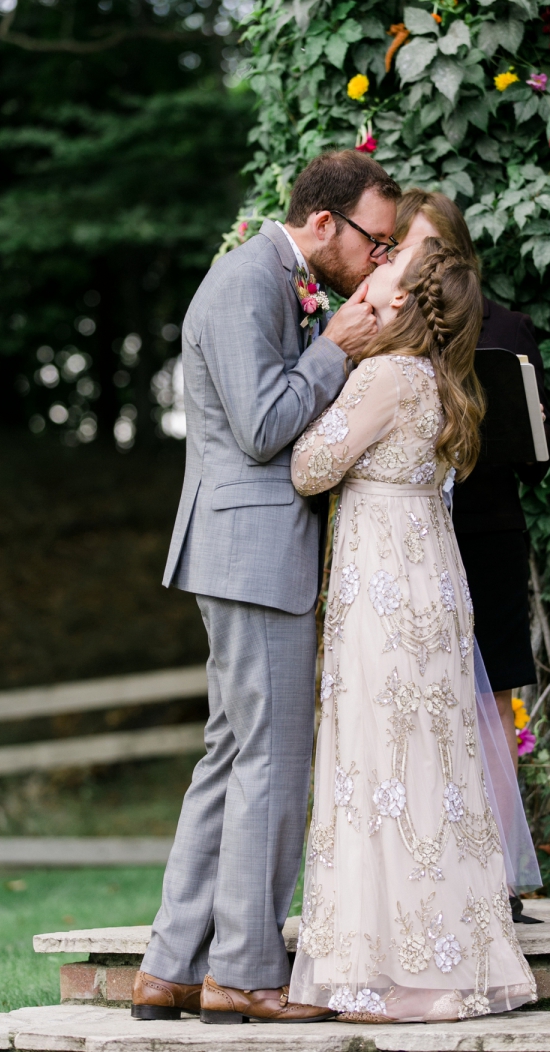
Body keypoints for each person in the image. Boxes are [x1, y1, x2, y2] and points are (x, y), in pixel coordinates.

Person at [132, 150, 401, 1025]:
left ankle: (170, 968)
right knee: (272, 764)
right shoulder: (250, 280)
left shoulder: (266, 275)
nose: (380, 261)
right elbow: (261, 428)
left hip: (238, 548)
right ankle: (243, 974)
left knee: (230, 758)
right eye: (374, 240)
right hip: (252, 548)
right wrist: (336, 347)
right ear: (323, 224)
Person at [288, 237, 538, 1024]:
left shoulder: (384, 375)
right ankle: (443, 956)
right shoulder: (438, 376)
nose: (372, 277)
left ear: (400, 302)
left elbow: (308, 467)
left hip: (387, 590)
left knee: (381, 763)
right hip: (427, 576)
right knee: (428, 767)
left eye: (386, 273)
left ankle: (402, 973)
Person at [394, 191, 550, 770]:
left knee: (491, 712)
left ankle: (501, 863)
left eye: (431, 248)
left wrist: (532, 422)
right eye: (403, 248)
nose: (417, 263)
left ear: (458, 252)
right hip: (405, 547)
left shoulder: (508, 329)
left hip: (485, 541)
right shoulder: (380, 330)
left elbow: (540, 462)